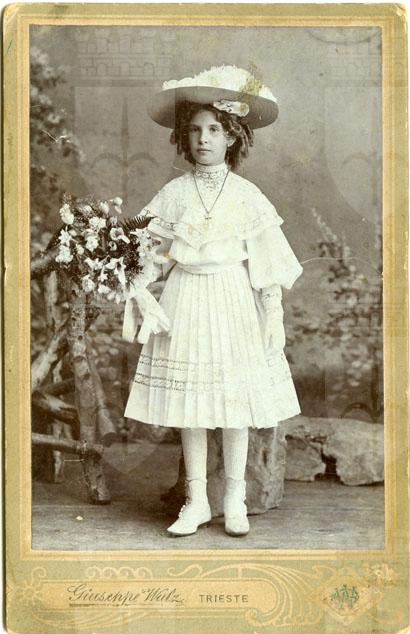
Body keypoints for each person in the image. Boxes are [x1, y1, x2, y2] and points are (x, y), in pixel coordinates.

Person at [122, 65, 303, 537]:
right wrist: (137, 287)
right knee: (193, 404)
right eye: (196, 131)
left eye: (215, 130)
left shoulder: (246, 195)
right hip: (185, 300)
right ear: (185, 138)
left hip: (232, 299)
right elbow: (147, 253)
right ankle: (196, 500)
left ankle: (234, 499)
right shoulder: (174, 193)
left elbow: (267, 260)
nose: (204, 139)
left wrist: (273, 313)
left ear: (232, 136)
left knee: (233, 401)